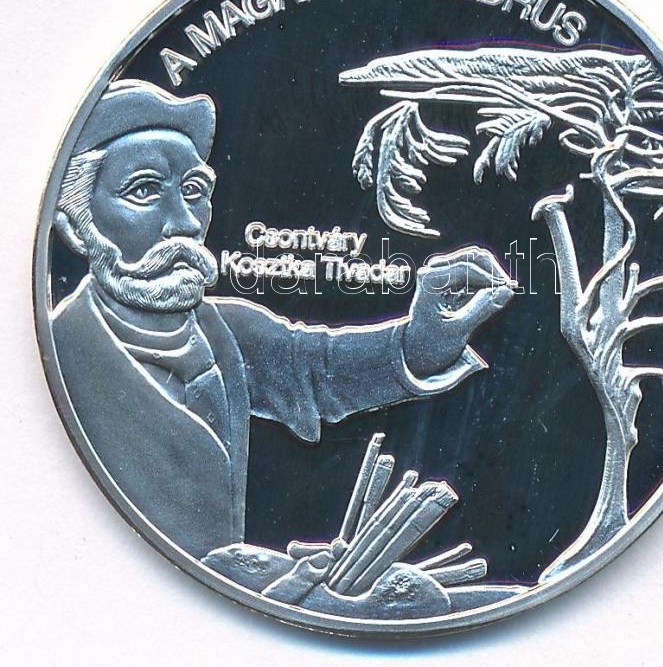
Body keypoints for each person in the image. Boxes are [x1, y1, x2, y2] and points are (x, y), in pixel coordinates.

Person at [51, 79, 514, 563]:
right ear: (77, 227)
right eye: (144, 191)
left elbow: (318, 369)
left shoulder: (228, 332)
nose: (184, 222)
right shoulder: (59, 360)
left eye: (193, 191)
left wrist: (421, 342)